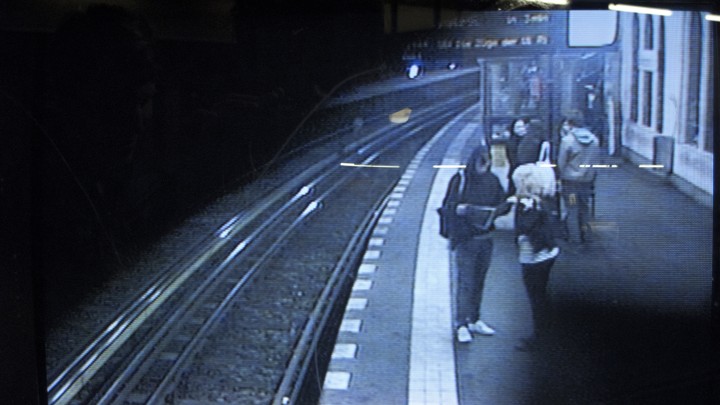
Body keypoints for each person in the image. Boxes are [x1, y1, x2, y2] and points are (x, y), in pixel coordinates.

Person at [440, 147, 509, 343]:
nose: (484, 168)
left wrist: (496, 211)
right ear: (473, 162)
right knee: (466, 283)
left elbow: (503, 202)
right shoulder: (460, 180)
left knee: (479, 281)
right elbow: (447, 206)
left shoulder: (492, 180)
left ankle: (474, 319)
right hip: (465, 239)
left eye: (487, 164)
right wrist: (459, 210)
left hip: (486, 238)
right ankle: (461, 323)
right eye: (481, 163)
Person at [508, 163, 561, 351]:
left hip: (534, 257)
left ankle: (541, 338)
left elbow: (525, 229)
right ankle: (544, 334)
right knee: (541, 297)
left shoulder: (529, 205)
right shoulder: (541, 200)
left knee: (536, 298)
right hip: (547, 253)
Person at [557, 127, 601, 243]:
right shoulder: (595, 141)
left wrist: (560, 176)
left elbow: (561, 162)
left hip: (570, 182)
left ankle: (574, 238)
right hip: (586, 182)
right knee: (584, 208)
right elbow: (596, 162)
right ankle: (586, 235)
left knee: (572, 208)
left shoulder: (567, 141)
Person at [505, 117, 530, 195]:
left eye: (523, 126)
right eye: (518, 127)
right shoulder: (511, 142)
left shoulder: (529, 140)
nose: (521, 129)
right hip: (516, 172)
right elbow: (513, 159)